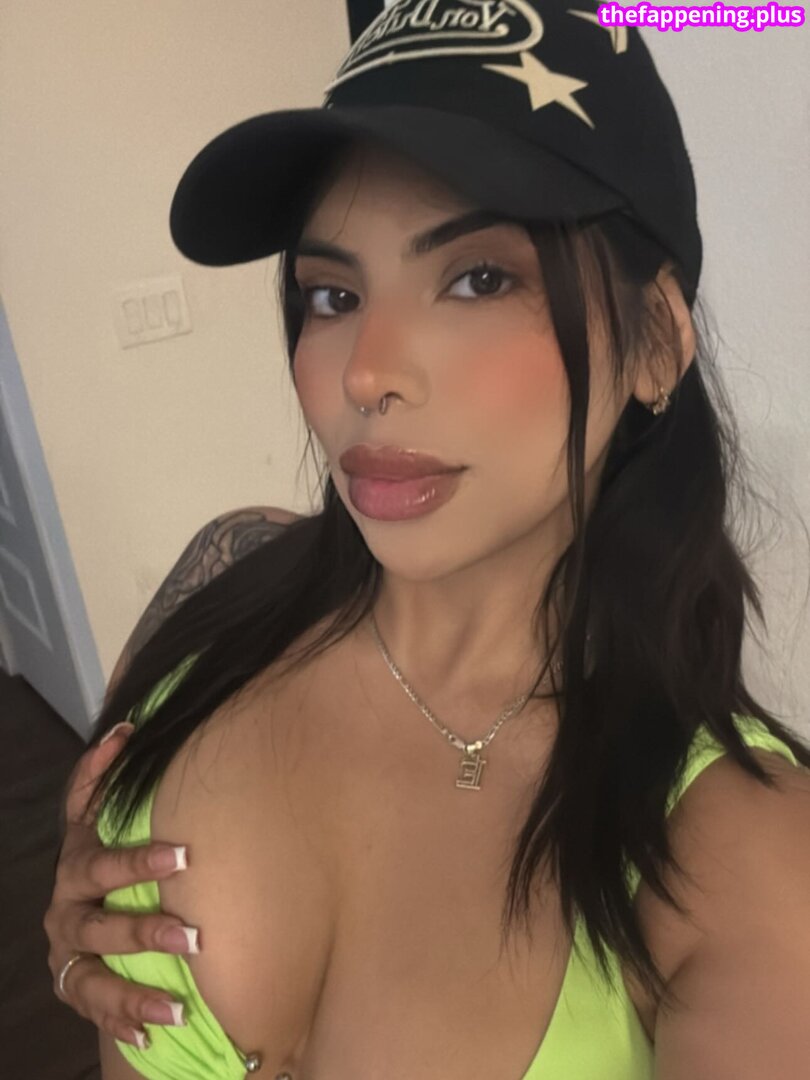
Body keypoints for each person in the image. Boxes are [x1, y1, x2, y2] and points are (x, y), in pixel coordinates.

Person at [44, 2, 810, 1077]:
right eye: (332, 294)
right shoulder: (215, 602)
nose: (367, 372)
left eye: (478, 278)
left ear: (654, 342)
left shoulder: (742, 861)